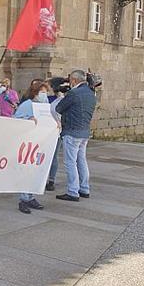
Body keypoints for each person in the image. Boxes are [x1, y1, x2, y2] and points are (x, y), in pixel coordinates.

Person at [55, 70, 97, 202]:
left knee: (70, 162)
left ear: (73, 80)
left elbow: (59, 109)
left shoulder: (74, 93)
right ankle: (84, 188)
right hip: (84, 132)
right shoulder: (91, 93)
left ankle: (73, 191)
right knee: (81, 160)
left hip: (72, 131)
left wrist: (62, 96)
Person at [13, 81, 49, 214]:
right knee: (26, 171)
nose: (44, 95)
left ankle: (31, 196)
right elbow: (16, 120)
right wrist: (28, 121)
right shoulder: (27, 105)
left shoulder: (45, 106)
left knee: (36, 171)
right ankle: (23, 199)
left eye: (46, 92)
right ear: (35, 93)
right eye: (42, 92)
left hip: (41, 143)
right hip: (28, 143)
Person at [45, 77, 69, 190]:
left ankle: (51, 180)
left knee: (53, 156)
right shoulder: (47, 99)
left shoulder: (60, 100)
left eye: (48, 86)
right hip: (45, 130)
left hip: (55, 131)